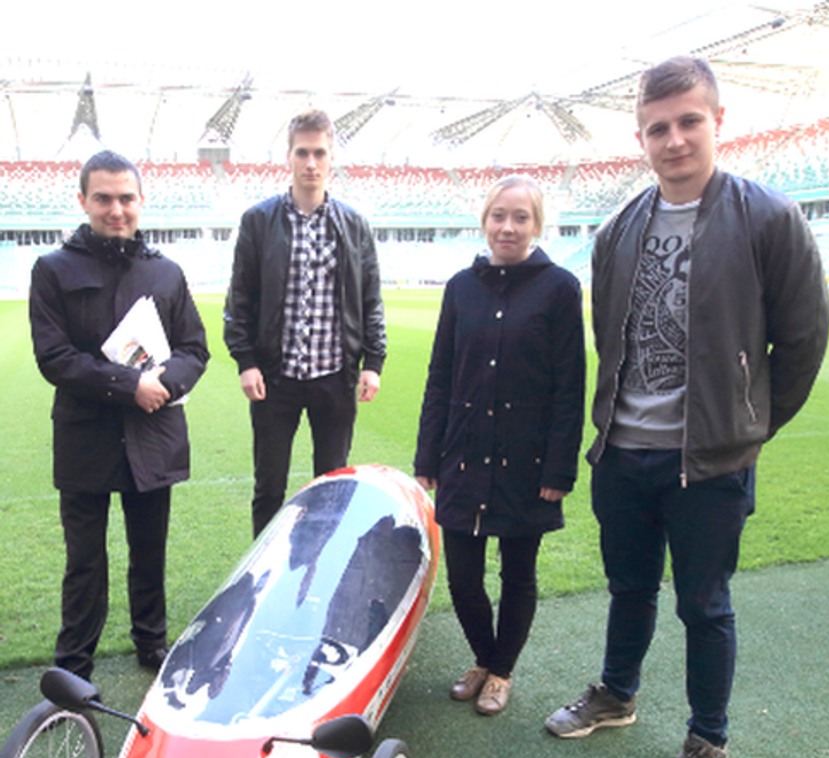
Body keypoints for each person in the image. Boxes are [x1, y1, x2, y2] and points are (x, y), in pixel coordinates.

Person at [544, 56, 829, 758]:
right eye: (657, 128)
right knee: (629, 588)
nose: (674, 140)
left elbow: (804, 337)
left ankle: (708, 740)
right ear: (640, 137)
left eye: (688, 123)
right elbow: (612, 338)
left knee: (703, 604)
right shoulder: (618, 229)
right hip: (624, 452)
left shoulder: (767, 217)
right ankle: (617, 694)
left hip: (707, 461)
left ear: (718, 122)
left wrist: (751, 422)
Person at [29, 150, 210, 679]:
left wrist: (163, 384)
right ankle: (74, 662)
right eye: (103, 198)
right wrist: (132, 385)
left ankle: (151, 644)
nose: (116, 209)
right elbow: (54, 358)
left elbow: (194, 349)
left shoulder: (166, 272)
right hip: (86, 437)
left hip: (154, 435)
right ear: (83, 200)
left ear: (141, 201)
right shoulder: (53, 270)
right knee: (84, 561)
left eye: (126, 198)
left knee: (148, 550)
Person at [415, 175, 585, 716]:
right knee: (463, 577)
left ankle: (500, 672)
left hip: (526, 460)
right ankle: (486, 658)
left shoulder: (559, 288)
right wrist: (427, 456)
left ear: (537, 225)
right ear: (484, 221)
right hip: (463, 452)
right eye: (498, 216)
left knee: (518, 573)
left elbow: (569, 385)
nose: (507, 227)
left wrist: (560, 468)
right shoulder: (460, 288)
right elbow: (439, 376)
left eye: (520, 217)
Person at [224, 108, 386, 538]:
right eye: (302, 153)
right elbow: (239, 299)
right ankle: (261, 580)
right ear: (289, 157)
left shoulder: (354, 225)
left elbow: (370, 299)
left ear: (332, 159)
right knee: (269, 487)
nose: (311, 163)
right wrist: (246, 361)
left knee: (333, 488)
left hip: (334, 378)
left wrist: (374, 362)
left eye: (319, 153)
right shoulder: (259, 222)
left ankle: (322, 577)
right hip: (275, 380)